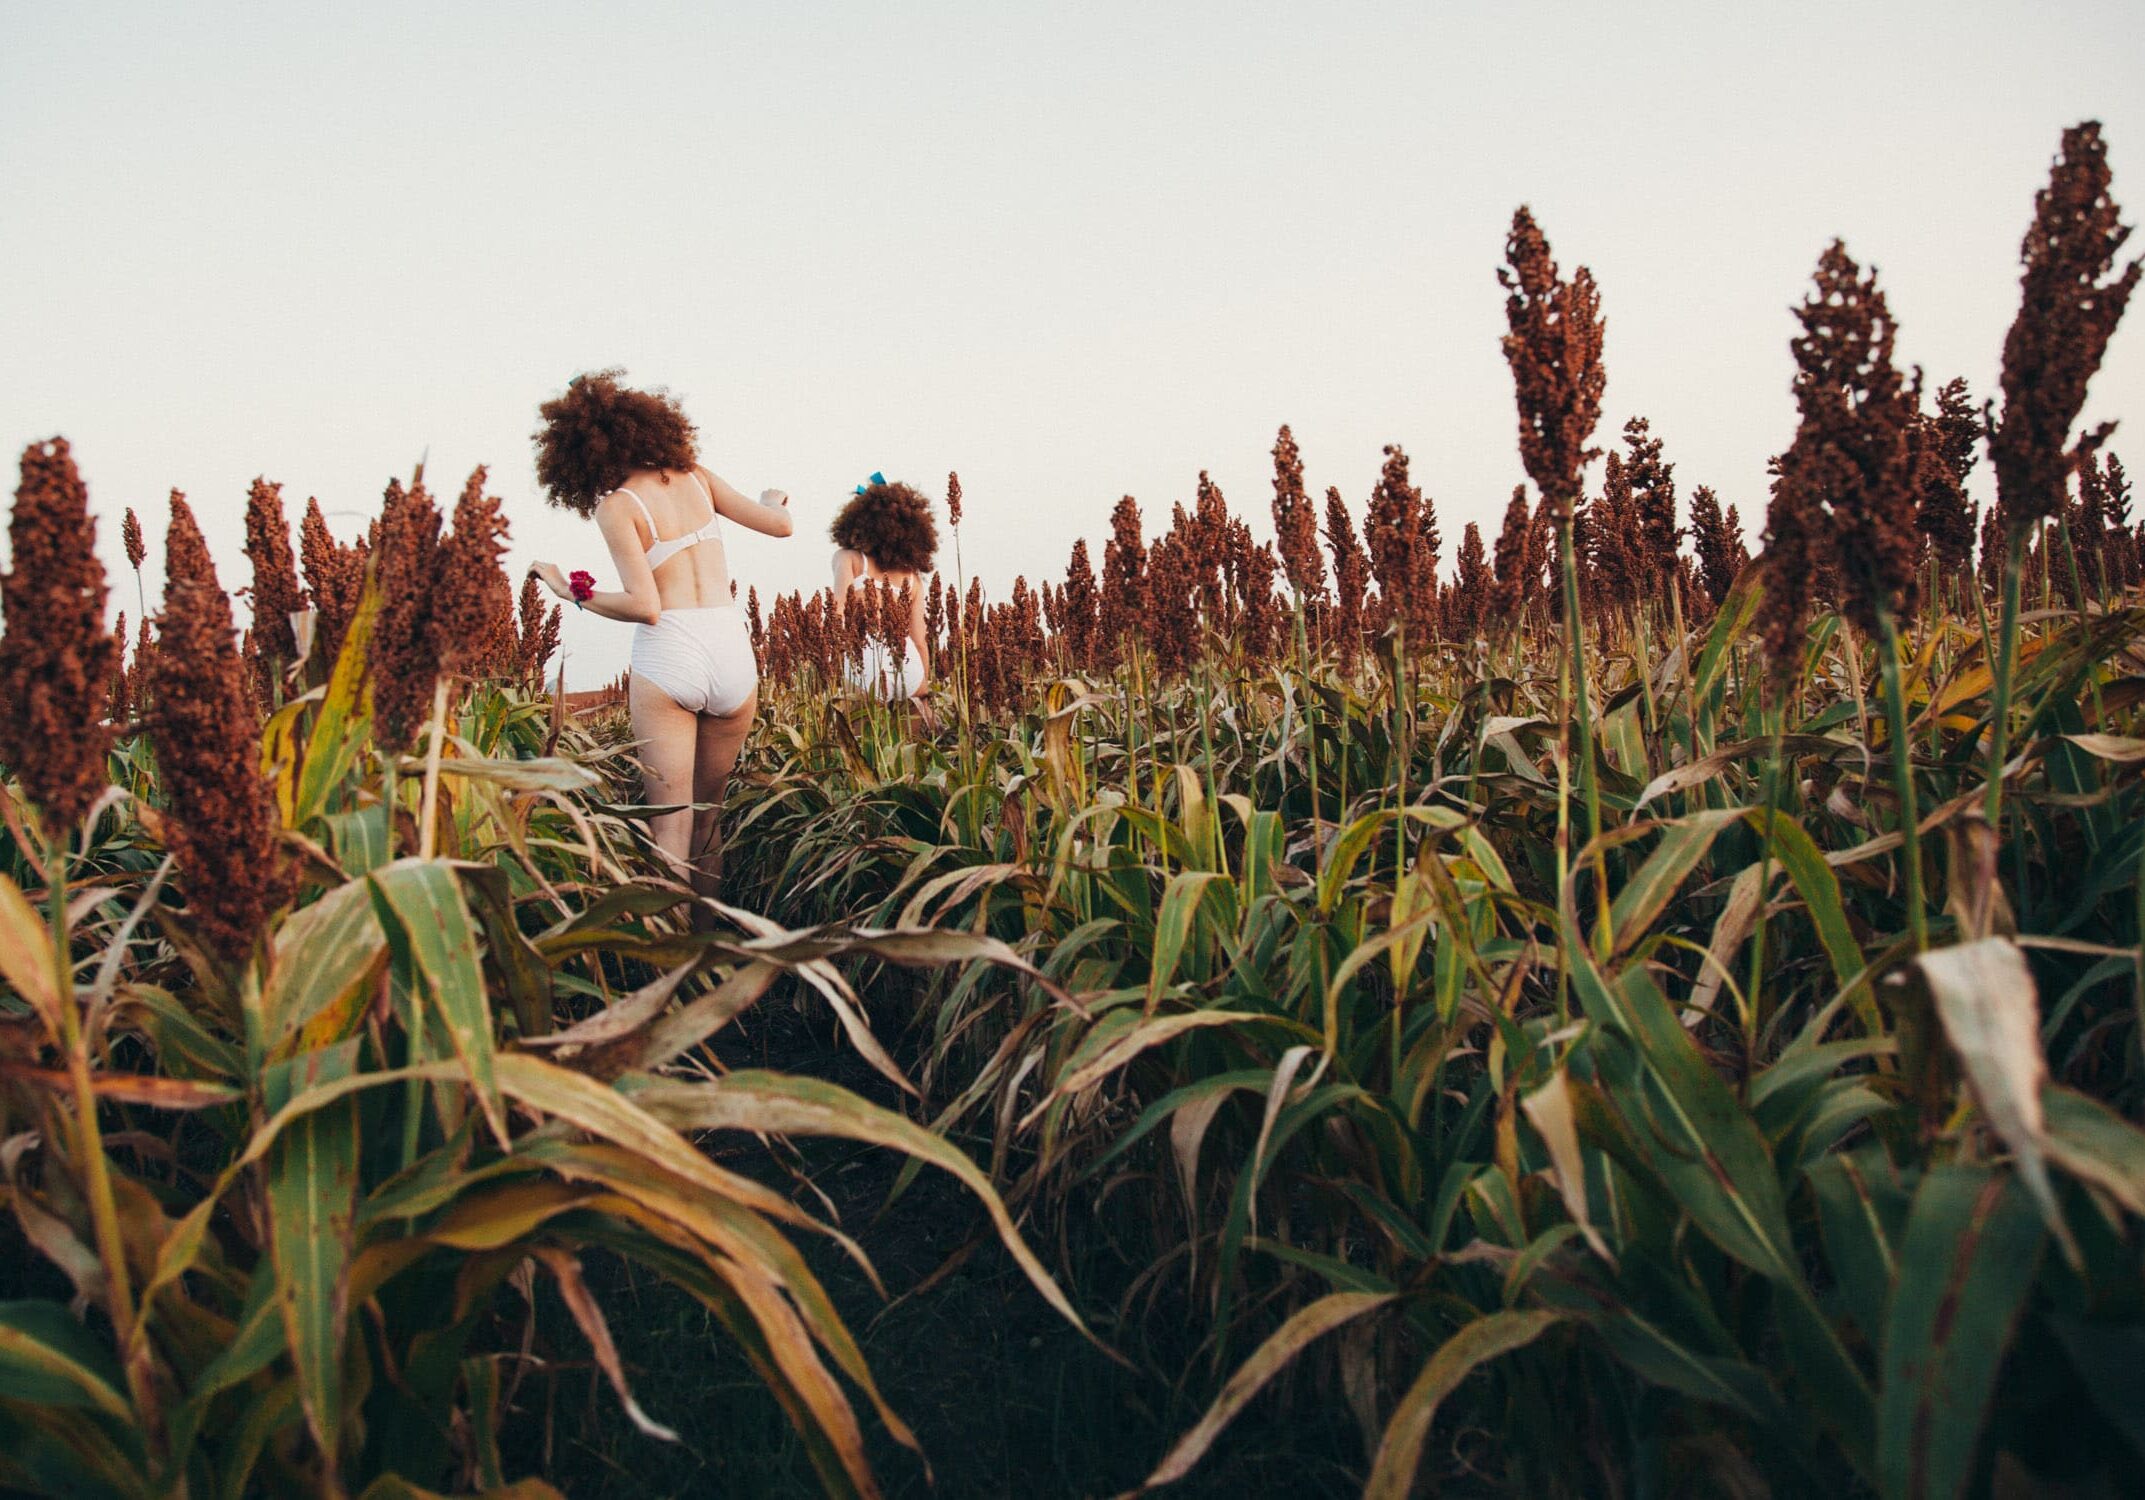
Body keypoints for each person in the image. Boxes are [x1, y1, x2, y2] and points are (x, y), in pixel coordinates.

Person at [527, 370, 792, 897]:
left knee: (669, 826)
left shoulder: (618, 506)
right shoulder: (696, 476)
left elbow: (645, 607)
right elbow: (780, 526)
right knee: (708, 822)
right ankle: (711, 948)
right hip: (731, 651)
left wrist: (568, 590)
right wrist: (775, 500)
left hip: (672, 652)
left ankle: (677, 972)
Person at [829, 474, 937, 719]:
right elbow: (919, 640)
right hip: (908, 662)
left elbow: (838, 615)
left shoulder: (850, 559)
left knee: (862, 747)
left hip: (865, 660)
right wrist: (923, 690)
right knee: (914, 749)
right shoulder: (913, 577)